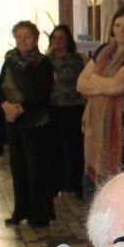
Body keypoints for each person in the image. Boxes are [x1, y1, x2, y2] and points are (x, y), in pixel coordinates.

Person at [77, 6, 124, 199]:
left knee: (120, 192)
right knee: (92, 191)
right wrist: (106, 85)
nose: (120, 30)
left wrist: (94, 78)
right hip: (97, 129)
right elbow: (80, 84)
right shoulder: (103, 50)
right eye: (117, 25)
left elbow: (117, 86)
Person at [0, 20, 55, 227]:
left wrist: (19, 109)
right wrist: (5, 107)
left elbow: (42, 93)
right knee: (18, 168)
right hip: (13, 121)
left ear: (35, 39)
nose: (22, 40)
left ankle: (39, 215)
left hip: (35, 121)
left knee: (37, 169)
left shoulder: (42, 62)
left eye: (27, 36)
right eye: (18, 37)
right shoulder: (10, 60)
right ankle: (20, 211)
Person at [46, 25, 87, 198]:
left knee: (73, 147)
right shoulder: (46, 60)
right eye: (54, 37)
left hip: (72, 107)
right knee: (54, 147)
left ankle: (75, 185)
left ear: (68, 40)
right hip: (52, 107)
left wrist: (53, 74)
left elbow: (66, 76)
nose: (57, 41)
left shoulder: (75, 59)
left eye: (61, 37)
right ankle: (56, 184)